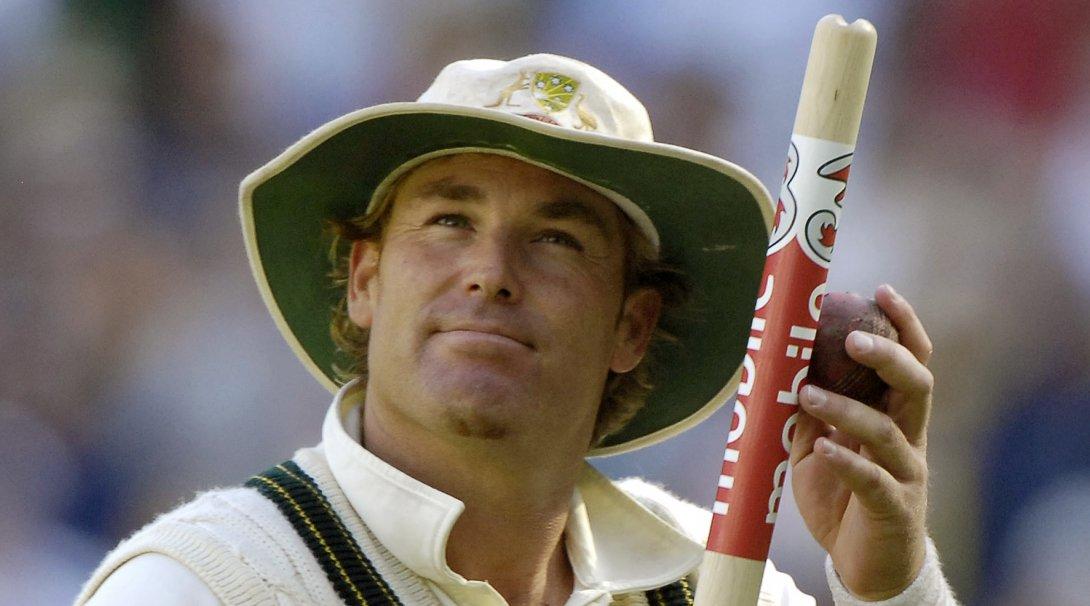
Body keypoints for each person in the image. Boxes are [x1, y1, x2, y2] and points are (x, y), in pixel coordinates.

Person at [76, 54, 958, 605]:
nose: (492, 271)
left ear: (633, 327)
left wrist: (889, 588)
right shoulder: (204, 587)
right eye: (450, 221)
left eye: (555, 240)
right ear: (365, 282)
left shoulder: (710, 586)